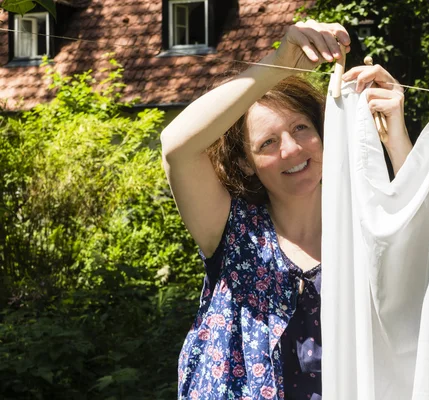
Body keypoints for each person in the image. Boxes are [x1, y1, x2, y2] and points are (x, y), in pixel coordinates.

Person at [160, 20, 413, 400]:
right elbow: (175, 147)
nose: (292, 150)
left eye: (300, 128)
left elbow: (428, 252)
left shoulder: (363, 226)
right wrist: (279, 63)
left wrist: (396, 138)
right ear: (245, 163)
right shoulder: (232, 231)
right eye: (267, 143)